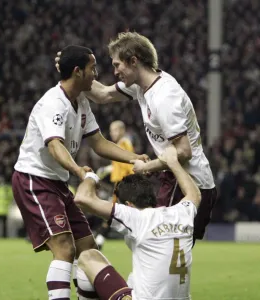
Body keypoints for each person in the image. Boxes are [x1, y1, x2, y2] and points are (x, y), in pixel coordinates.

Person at [12, 45, 148, 300]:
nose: (96, 74)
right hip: (34, 180)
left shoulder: (81, 102)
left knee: (88, 248)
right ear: (77, 71)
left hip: (57, 182)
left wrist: (134, 157)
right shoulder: (53, 103)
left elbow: (99, 142)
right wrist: (78, 170)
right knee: (64, 248)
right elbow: (54, 145)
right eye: (92, 68)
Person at [55, 31, 216, 243]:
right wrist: (73, 71)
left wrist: (146, 167)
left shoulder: (164, 97)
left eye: (117, 65)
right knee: (166, 255)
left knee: (157, 248)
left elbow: (184, 152)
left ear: (133, 61)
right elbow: (102, 94)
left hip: (188, 182)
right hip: (179, 178)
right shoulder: (143, 86)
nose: (115, 72)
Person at [74, 144, 201, 300]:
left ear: (129, 205)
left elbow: (82, 198)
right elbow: (194, 195)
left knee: (88, 257)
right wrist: (173, 162)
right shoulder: (181, 213)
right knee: (133, 279)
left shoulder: (135, 217)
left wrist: (90, 178)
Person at [94, 120, 135, 249]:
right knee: (113, 213)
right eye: (111, 131)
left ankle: (100, 239)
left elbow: (129, 165)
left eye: (115, 130)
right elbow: (119, 165)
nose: (112, 133)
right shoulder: (120, 145)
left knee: (116, 213)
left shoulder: (124, 144)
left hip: (124, 185)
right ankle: (100, 240)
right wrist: (107, 169)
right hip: (119, 184)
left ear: (122, 131)